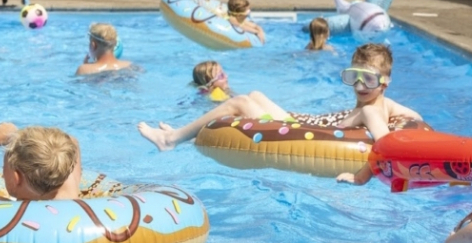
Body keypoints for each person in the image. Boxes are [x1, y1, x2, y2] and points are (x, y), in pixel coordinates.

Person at [139, 43, 421, 163]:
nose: (359, 86)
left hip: (307, 136)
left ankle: (172, 138)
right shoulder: (388, 104)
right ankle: (185, 134)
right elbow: (415, 118)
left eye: (368, 80)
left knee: (239, 102)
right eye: (353, 77)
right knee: (256, 95)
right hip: (310, 125)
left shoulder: (372, 110)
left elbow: (386, 143)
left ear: (386, 81)